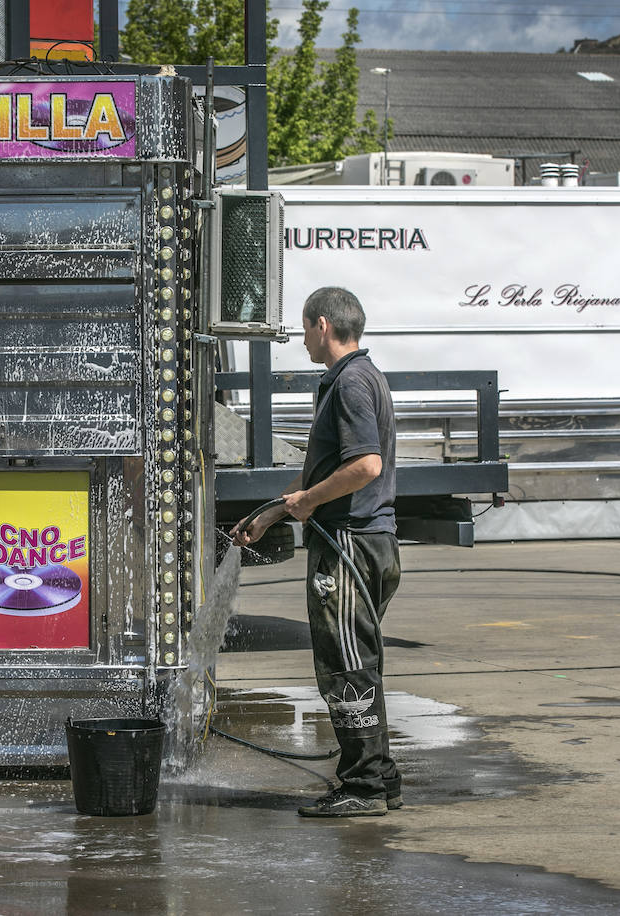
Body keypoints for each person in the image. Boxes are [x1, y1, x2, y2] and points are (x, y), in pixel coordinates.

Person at [232, 287, 402, 817]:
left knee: (346, 664)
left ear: (322, 325)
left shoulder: (350, 382)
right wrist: (275, 511)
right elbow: (329, 469)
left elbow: (365, 465)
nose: (302, 338)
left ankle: (365, 787)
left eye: (304, 329)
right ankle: (378, 776)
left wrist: (307, 500)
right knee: (357, 660)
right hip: (367, 538)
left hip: (350, 541)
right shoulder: (360, 377)